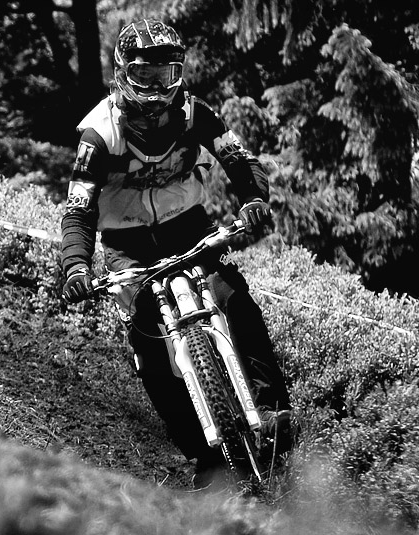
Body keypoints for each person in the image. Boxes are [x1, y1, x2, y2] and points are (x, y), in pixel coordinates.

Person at [60, 18, 292, 489]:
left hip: (187, 225)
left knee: (232, 295)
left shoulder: (194, 113)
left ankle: (272, 414)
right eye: (143, 75)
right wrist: (76, 266)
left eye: (164, 75)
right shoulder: (97, 136)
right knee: (148, 341)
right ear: (123, 73)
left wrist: (253, 199)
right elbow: (79, 209)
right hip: (126, 243)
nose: (154, 87)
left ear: (179, 74)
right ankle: (202, 458)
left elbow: (239, 160)